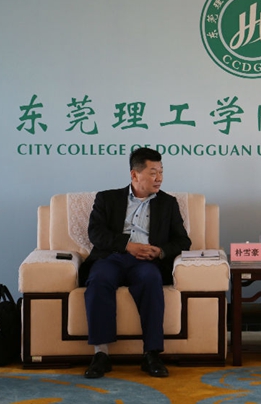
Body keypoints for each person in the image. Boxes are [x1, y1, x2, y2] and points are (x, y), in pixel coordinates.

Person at [79, 147, 191, 379]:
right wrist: (127, 245)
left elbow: (183, 241)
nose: (159, 178)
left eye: (161, 172)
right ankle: (101, 355)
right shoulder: (107, 198)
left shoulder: (168, 203)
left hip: (146, 262)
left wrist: (160, 251)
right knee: (99, 280)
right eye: (153, 172)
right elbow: (96, 233)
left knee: (151, 280)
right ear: (134, 174)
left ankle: (151, 354)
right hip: (111, 257)